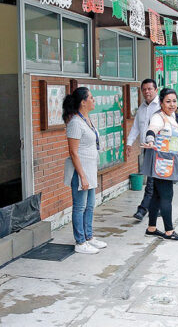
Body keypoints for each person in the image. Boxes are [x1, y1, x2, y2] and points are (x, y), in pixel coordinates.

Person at [141, 88, 178, 241]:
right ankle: (169, 231)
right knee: (166, 196)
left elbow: (170, 135)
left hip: (168, 161)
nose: (172, 104)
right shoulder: (158, 117)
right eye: (168, 101)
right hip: (162, 163)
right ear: (161, 102)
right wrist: (150, 140)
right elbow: (152, 130)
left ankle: (151, 228)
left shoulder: (171, 117)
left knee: (157, 195)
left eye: (174, 101)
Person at [62, 87, 107, 254]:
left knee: (90, 205)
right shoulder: (75, 123)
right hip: (80, 171)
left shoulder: (87, 119)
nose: (94, 100)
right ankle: (80, 242)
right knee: (80, 206)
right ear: (83, 102)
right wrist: (82, 176)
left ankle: (89, 237)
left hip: (90, 169)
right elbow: (73, 152)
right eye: (91, 98)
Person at [126, 79, 160, 221]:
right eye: (144, 89)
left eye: (149, 89)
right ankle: (157, 207)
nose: (147, 92)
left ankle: (143, 209)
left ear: (156, 90)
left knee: (152, 180)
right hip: (147, 149)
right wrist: (128, 143)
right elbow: (136, 128)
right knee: (155, 180)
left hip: (159, 150)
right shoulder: (141, 108)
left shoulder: (161, 106)